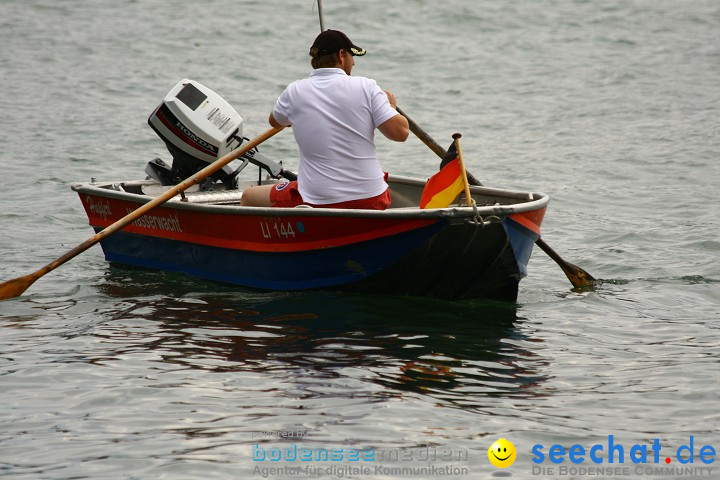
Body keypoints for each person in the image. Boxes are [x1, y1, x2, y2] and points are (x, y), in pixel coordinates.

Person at [240, 29, 409, 209]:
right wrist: (390, 107)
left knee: (248, 196)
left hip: (316, 201)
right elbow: (401, 133)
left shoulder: (294, 91)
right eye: (352, 56)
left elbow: (275, 121)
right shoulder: (368, 87)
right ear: (341, 55)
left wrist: (296, 116)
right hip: (372, 199)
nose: (354, 63)